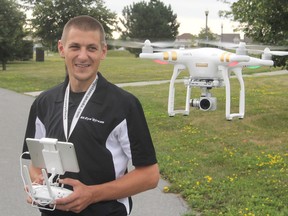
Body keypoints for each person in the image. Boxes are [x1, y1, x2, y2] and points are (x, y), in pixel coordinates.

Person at [22, 15, 159, 216]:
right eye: (75, 47)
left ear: (103, 51)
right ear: (62, 49)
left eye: (91, 48)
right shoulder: (44, 103)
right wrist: (39, 184)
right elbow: (36, 163)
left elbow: (149, 176)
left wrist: (92, 194)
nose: (83, 56)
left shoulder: (124, 105)